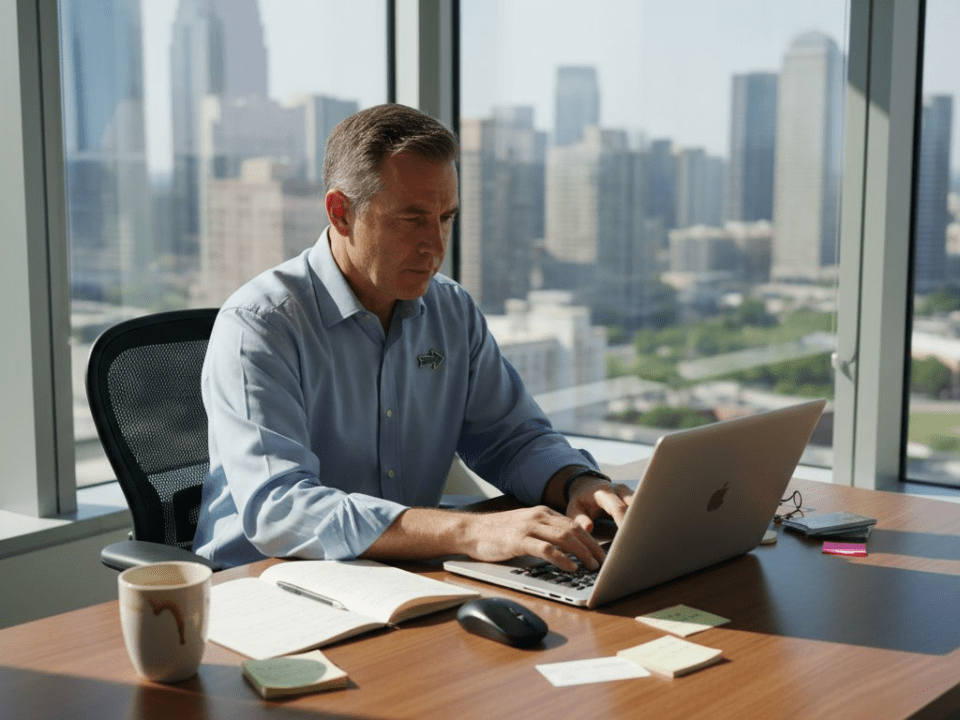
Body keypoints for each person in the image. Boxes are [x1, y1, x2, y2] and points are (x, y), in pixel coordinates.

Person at [193, 103, 633, 571]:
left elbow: (511, 438)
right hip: (259, 589)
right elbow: (280, 509)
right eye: (412, 218)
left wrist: (576, 482)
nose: (436, 246)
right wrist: (468, 530)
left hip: (401, 577)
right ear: (341, 213)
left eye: (446, 218)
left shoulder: (451, 310)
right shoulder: (260, 325)